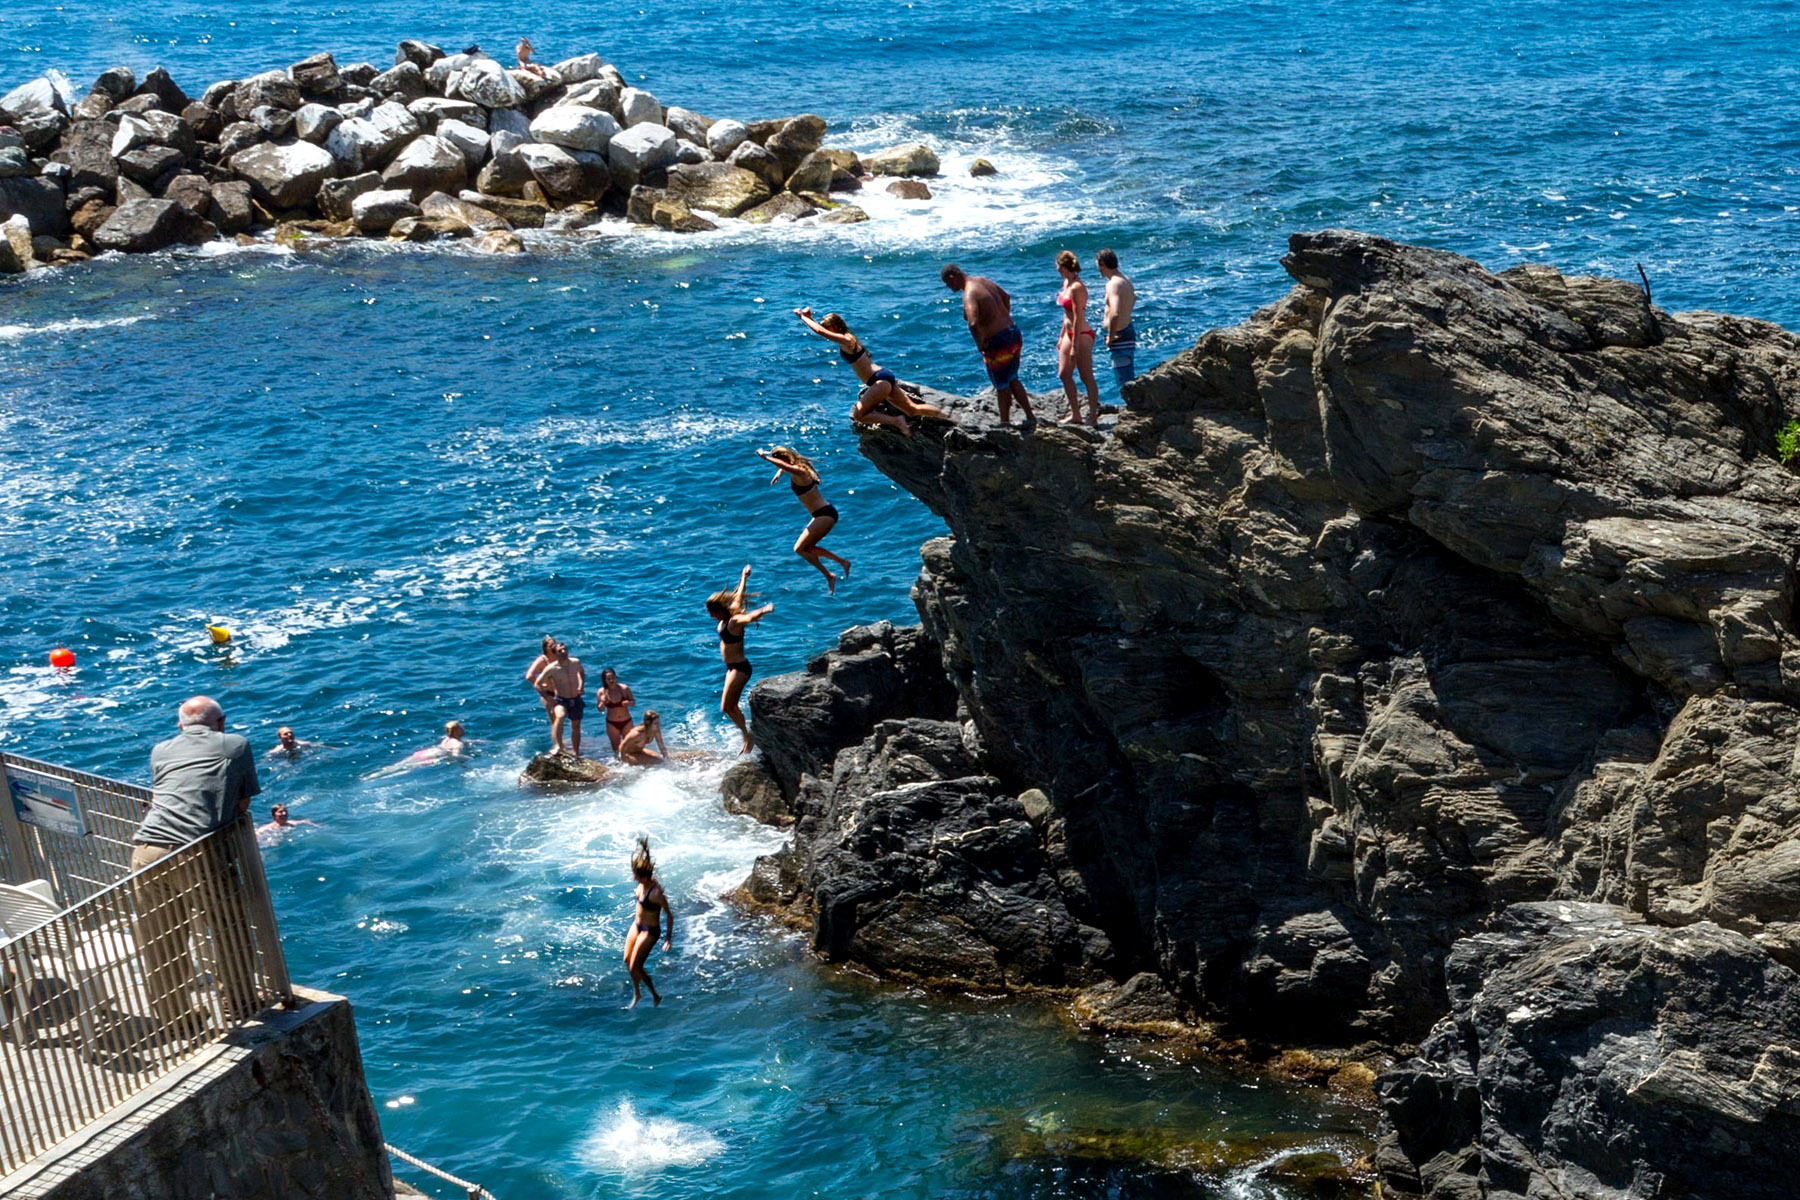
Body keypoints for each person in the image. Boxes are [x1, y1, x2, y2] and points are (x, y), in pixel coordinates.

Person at [133, 695, 262, 1025]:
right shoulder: (233, 745)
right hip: (197, 851)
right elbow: (242, 804)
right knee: (228, 929)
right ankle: (240, 1003)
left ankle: (175, 1018)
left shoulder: (160, 750)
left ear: (180, 726)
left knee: (161, 939)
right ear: (221, 723)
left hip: (147, 850)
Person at [792, 307, 954, 436]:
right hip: (883, 376)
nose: (828, 332)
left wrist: (803, 317)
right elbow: (823, 331)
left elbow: (821, 332)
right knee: (912, 409)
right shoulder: (848, 338)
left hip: (879, 381)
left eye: (829, 328)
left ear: (836, 326)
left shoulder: (846, 339)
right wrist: (810, 318)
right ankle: (949, 415)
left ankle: (897, 421)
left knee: (858, 415)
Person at [941, 264, 1035, 427]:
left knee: (1001, 383)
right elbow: (1006, 297)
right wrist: (1002, 319)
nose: (949, 288)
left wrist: (980, 343)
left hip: (998, 342)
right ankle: (1029, 416)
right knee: (1012, 378)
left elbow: (972, 322)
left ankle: (1004, 423)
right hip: (1013, 333)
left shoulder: (969, 293)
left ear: (952, 277)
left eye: (948, 284)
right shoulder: (982, 281)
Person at [757, 445, 851, 594]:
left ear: (785, 458)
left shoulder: (800, 471)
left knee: (799, 549)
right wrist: (778, 473)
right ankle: (842, 563)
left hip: (825, 515)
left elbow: (787, 467)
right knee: (808, 548)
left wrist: (765, 458)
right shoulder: (800, 466)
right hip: (823, 513)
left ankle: (829, 576)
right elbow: (785, 466)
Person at [706, 565, 773, 754]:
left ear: (719, 610)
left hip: (740, 668)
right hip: (731, 668)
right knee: (730, 707)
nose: (710, 615)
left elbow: (749, 617)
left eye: (711, 611)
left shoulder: (734, 622)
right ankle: (748, 733)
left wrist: (764, 610)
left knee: (726, 707)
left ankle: (748, 735)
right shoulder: (728, 616)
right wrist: (744, 576)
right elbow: (739, 595)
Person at [624, 837, 673, 1008]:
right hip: (636, 925)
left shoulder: (656, 893)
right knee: (627, 960)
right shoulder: (642, 884)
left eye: (636, 875)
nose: (634, 877)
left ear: (643, 875)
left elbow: (669, 915)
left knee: (635, 967)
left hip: (650, 931)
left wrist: (667, 938)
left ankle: (655, 995)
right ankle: (637, 993)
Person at [1054, 250, 1101, 426]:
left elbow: (1077, 317)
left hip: (1081, 334)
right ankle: (1076, 414)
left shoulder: (1077, 287)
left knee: (1086, 376)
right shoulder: (1066, 283)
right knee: (1064, 374)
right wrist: (1061, 337)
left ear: (1063, 266)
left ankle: (1093, 416)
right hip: (1069, 333)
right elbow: (1066, 315)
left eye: (1057, 265)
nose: (1056, 269)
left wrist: (1074, 346)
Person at [1097, 248, 1137, 391]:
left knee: (1124, 382)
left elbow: (1114, 313)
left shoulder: (1113, 284)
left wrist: (1111, 336)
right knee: (1128, 375)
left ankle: (1133, 404)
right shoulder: (1125, 280)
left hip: (1119, 335)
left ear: (1102, 264)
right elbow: (1133, 299)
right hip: (1128, 330)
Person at [538, 642, 586, 757]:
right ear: (555, 654)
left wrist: (581, 686)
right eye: (560, 651)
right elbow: (537, 684)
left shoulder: (575, 662)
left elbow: (581, 672)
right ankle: (558, 746)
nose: (564, 652)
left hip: (575, 698)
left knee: (576, 726)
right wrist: (548, 698)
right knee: (560, 716)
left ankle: (576, 751)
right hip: (561, 700)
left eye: (565, 649)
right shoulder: (552, 668)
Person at [598, 668, 637, 756]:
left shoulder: (624, 688)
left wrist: (628, 703)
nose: (611, 680)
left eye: (613, 678)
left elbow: (633, 702)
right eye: (608, 679)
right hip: (612, 724)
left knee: (630, 746)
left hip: (626, 722)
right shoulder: (601, 692)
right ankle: (618, 763)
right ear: (604, 680)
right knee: (616, 749)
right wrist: (602, 702)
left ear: (616, 677)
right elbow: (600, 709)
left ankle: (631, 763)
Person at [524, 635, 559, 724]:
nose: (553, 647)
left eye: (554, 645)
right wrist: (541, 686)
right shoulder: (542, 660)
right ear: (545, 648)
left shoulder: (558, 656)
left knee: (562, 717)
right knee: (554, 721)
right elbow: (529, 676)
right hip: (548, 693)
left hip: (560, 692)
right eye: (551, 646)